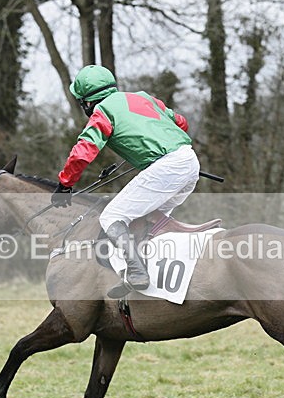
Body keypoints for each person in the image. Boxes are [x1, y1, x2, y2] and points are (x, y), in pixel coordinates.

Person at [51, 65, 200, 298]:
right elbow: (181, 123)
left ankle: (138, 272)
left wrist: (65, 184)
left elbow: (84, 151)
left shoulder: (103, 111)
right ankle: (146, 276)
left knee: (111, 217)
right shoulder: (143, 98)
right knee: (145, 222)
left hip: (168, 167)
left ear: (87, 103)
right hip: (189, 162)